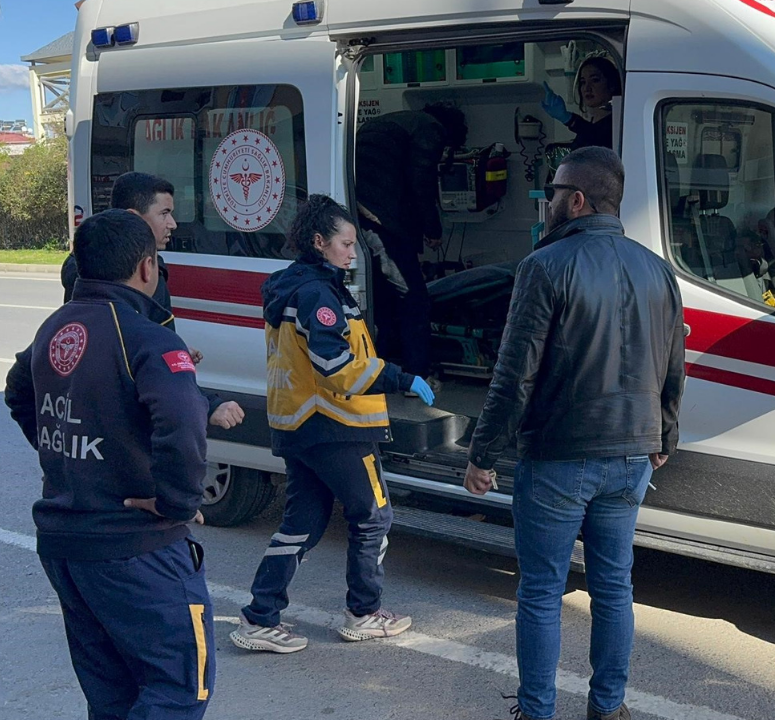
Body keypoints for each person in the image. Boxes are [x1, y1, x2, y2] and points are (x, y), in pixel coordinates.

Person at [463, 147, 686, 720]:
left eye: (554, 192)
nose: (549, 201)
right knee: (614, 589)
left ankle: (537, 712)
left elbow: (516, 372)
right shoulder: (658, 268)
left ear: (577, 199)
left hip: (560, 455)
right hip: (633, 452)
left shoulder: (543, 266)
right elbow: (671, 362)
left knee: (541, 592)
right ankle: (608, 710)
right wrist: (664, 434)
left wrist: (483, 453)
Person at [4, 209, 215, 720]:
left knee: (113, 697)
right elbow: (184, 417)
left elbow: (18, 392)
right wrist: (176, 501)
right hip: (135, 546)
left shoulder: (56, 325)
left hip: (66, 548)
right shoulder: (147, 336)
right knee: (180, 689)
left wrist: (67, 458)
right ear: (148, 268)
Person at [230, 195, 437, 653]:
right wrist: (401, 377)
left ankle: (259, 617)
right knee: (374, 516)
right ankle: (364, 612)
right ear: (319, 242)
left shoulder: (294, 286)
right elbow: (336, 365)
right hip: (336, 425)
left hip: (298, 425)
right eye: (345, 243)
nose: (352, 251)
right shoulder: (318, 295)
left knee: (302, 522)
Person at [62, 172, 245, 431]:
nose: (173, 224)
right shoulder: (128, 277)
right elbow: (138, 363)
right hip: (121, 435)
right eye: (164, 213)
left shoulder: (90, 270)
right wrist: (208, 404)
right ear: (134, 217)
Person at [354, 103, 468, 389]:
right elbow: (421, 180)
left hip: (361, 216)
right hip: (383, 219)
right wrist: (432, 229)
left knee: (383, 299)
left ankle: (387, 370)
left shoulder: (392, 122)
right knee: (413, 297)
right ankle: (418, 376)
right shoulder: (430, 128)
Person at [541, 55, 622, 150]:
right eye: (583, 82)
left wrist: (568, 118)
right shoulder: (591, 126)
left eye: (595, 80)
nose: (587, 88)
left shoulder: (617, 124)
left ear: (612, 84)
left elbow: (598, 138)